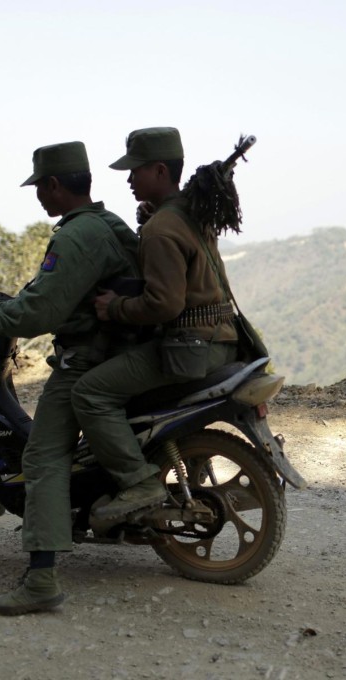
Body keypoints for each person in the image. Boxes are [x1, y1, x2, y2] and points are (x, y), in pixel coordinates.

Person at [0, 141, 141, 615]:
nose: (38, 195)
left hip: (87, 359)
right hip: (121, 352)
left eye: (40, 186)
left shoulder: (74, 237)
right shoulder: (109, 224)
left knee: (41, 458)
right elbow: (48, 290)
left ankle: (41, 579)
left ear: (55, 185)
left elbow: (45, 307)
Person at [71, 127, 239, 520]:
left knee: (89, 393)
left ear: (160, 171)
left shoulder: (164, 227)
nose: (129, 179)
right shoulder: (191, 214)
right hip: (222, 340)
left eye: (136, 171)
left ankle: (138, 482)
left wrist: (115, 308)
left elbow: (164, 304)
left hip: (189, 349)